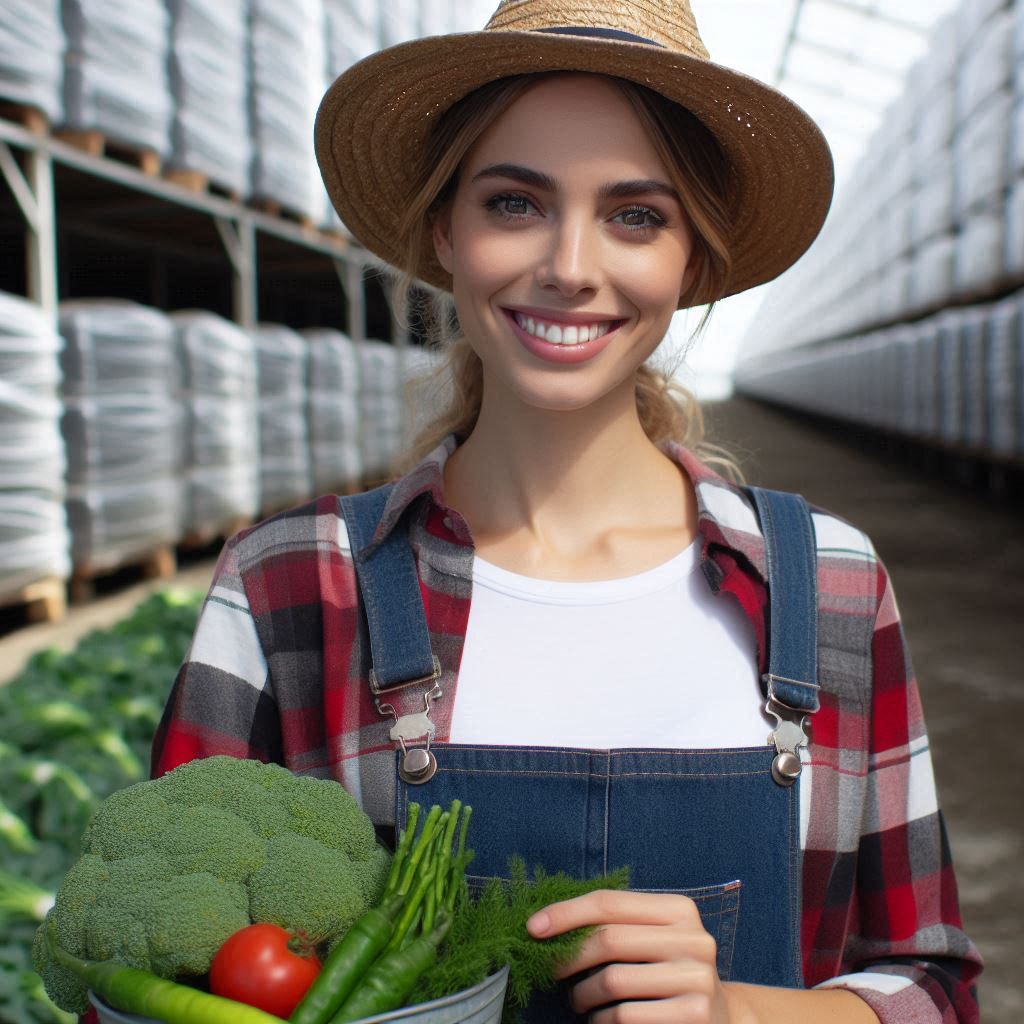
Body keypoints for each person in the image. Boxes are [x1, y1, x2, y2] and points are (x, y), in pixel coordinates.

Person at [152, 2, 982, 1022]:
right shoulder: (288, 584)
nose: (572, 266)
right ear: (442, 229)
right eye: (514, 203)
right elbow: (161, 969)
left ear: (694, 263)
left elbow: (930, 981)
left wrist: (746, 1011)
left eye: (636, 214)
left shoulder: (829, 584)